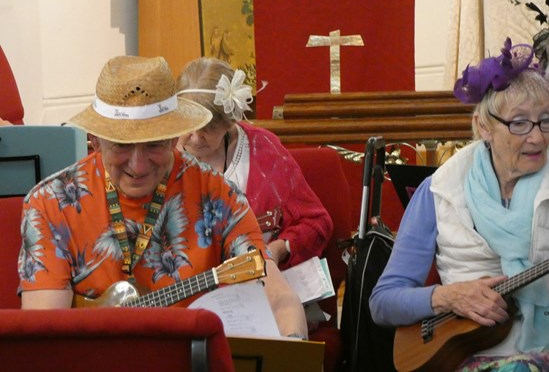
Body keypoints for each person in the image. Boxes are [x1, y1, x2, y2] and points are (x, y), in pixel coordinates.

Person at [18, 55, 308, 339]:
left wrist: (294, 343)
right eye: (121, 146)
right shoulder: (50, 204)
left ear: (174, 137)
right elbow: (45, 337)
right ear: (94, 140)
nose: (138, 164)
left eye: (154, 145)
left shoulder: (217, 194)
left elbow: (279, 298)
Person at [370, 38, 549, 370]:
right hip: (470, 354)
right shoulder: (440, 190)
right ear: (484, 126)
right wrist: (448, 297)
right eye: (520, 123)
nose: (537, 137)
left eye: (546, 120)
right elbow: (383, 303)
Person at [176, 57, 333, 269]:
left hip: (257, 287)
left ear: (228, 121)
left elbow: (316, 223)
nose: (194, 138)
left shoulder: (263, 149)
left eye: (207, 129)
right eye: (187, 125)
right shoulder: (160, 156)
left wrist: (279, 249)